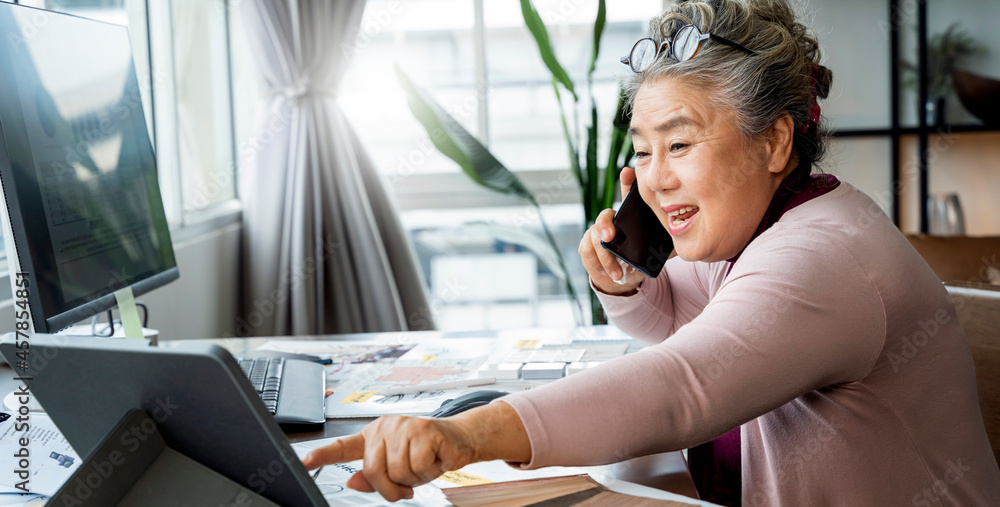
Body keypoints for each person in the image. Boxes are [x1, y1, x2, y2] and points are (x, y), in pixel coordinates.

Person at [302, 0, 1000, 504]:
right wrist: (631, 285)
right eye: (642, 149)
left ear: (775, 141)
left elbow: (683, 386)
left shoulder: (823, 259)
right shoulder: (766, 218)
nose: (657, 177)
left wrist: (465, 435)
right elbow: (690, 329)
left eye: (681, 143)